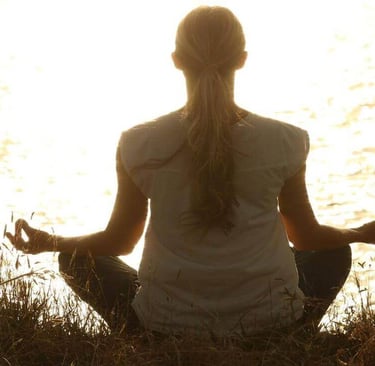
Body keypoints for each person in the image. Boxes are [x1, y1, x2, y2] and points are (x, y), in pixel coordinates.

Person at [6, 6, 375, 336]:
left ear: (177, 60)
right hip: (271, 320)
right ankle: (287, 332)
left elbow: (120, 242)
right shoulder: (285, 140)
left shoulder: (138, 143)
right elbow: (307, 237)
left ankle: (145, 336)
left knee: (75, 258)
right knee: (336, 251)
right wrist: (360, 232)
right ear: (242, 59)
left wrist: (51, 243)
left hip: (166, 325)